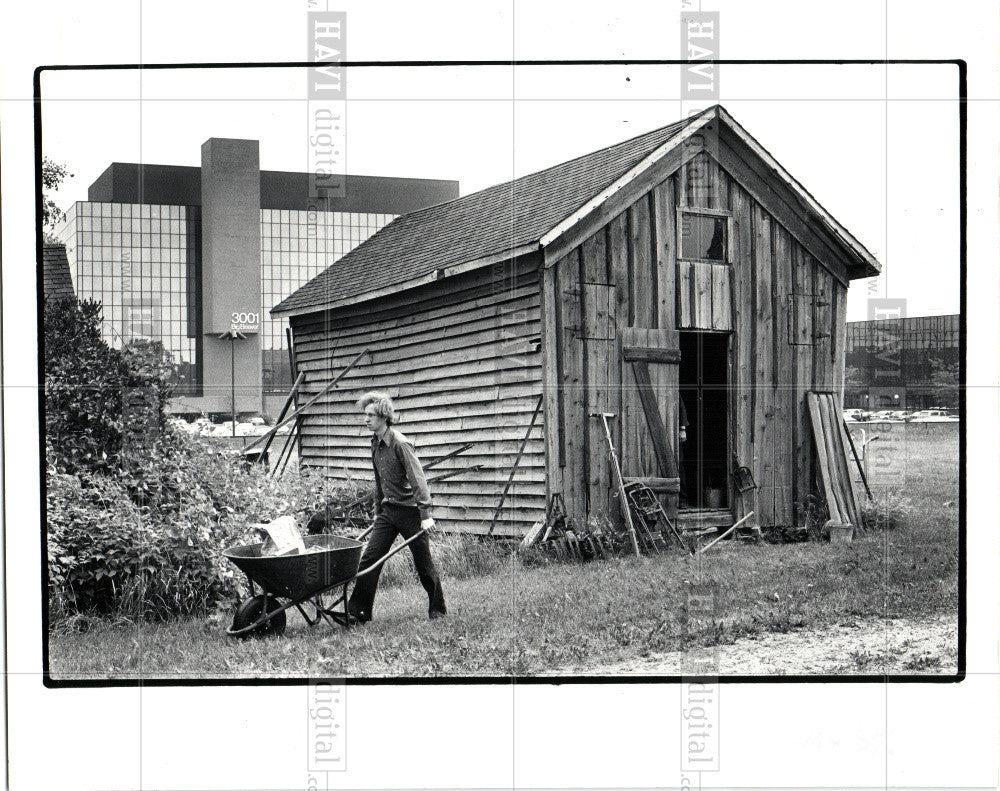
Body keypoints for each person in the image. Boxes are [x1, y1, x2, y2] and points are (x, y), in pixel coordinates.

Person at [346, 392, 447, 623]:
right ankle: (358, 612)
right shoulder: (375, 444)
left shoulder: (400, 444)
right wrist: (377, 513)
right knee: (369, 559)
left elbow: (418, 479)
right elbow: (379, 482)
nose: (366, 419)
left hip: (411, 513)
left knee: (424, 564)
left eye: (370, 415)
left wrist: (426, 514)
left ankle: (438, 611)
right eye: (365, 415)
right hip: (388, 512)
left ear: (384, 416)